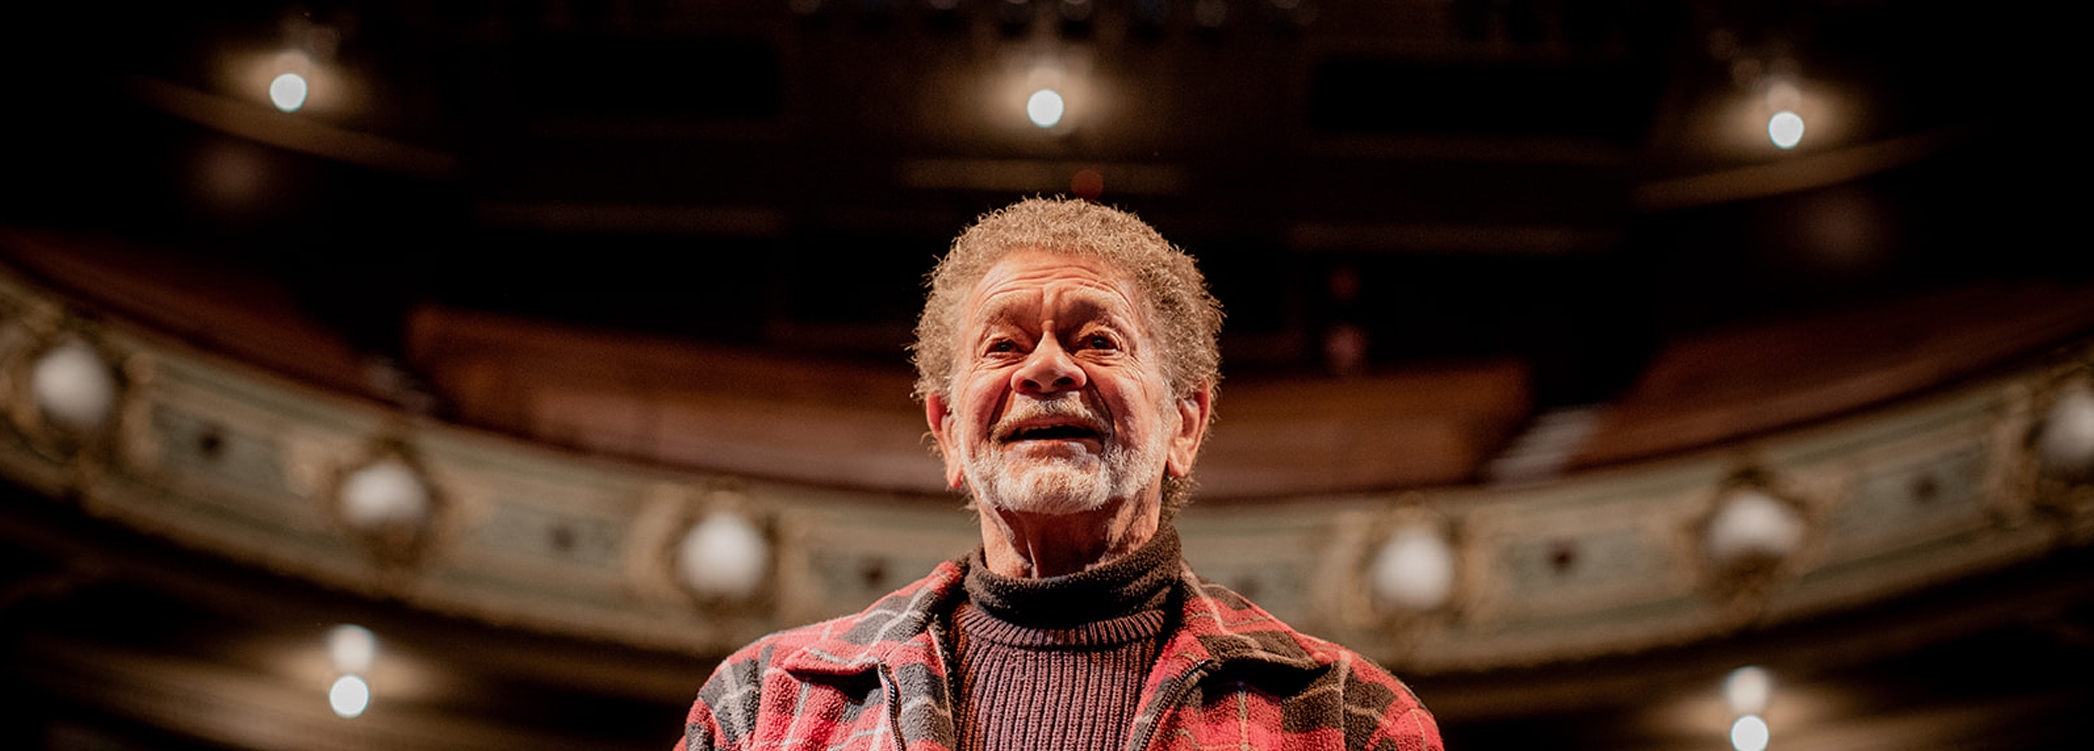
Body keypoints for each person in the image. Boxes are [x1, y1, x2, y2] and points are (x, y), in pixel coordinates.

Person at [676, 197, 1442, 751]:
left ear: (1185, 422)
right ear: (947, 431)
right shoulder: (759, 706)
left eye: (1099, 339)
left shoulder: (1354, 718)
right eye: (1003, 346)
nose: (1045, 367)